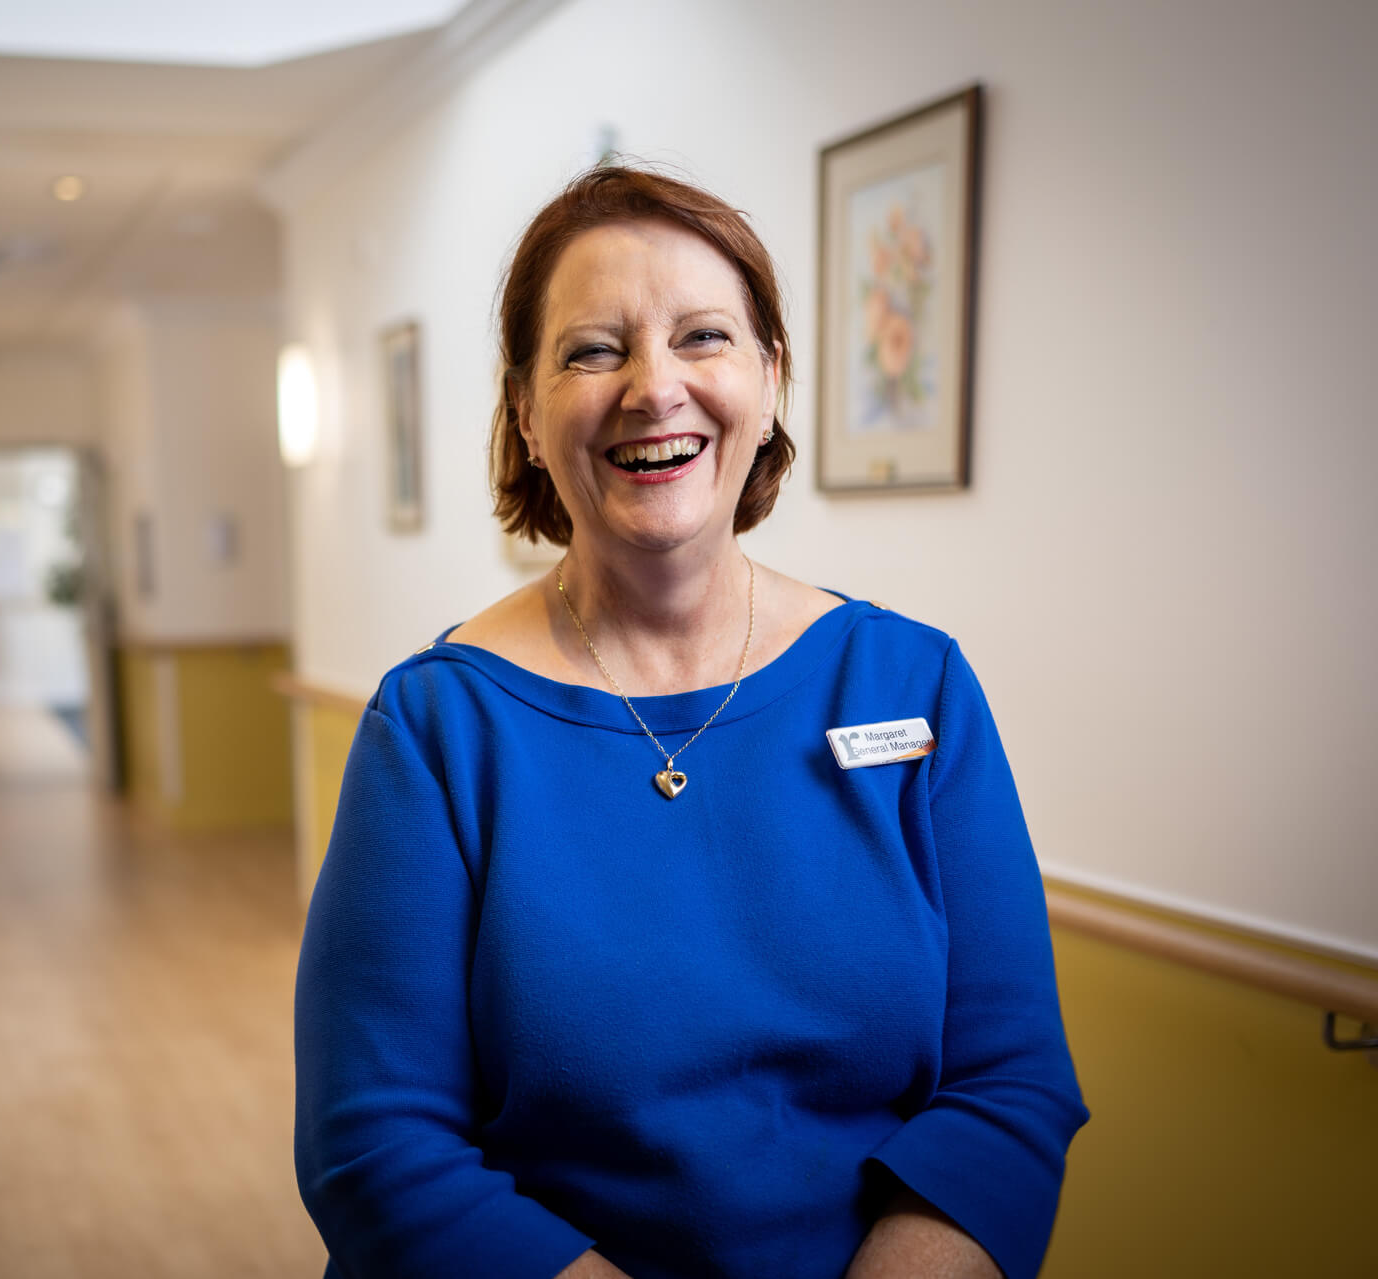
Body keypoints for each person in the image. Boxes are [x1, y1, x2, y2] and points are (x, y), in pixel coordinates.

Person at [294, 166, 1087, 1279]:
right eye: (592, 350)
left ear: (769, 383)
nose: (653, 387)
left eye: (703, 337)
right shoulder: (436, 728)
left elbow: (1007, 1084)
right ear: (524, 412)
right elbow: (374, 1146)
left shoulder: (916, 686)